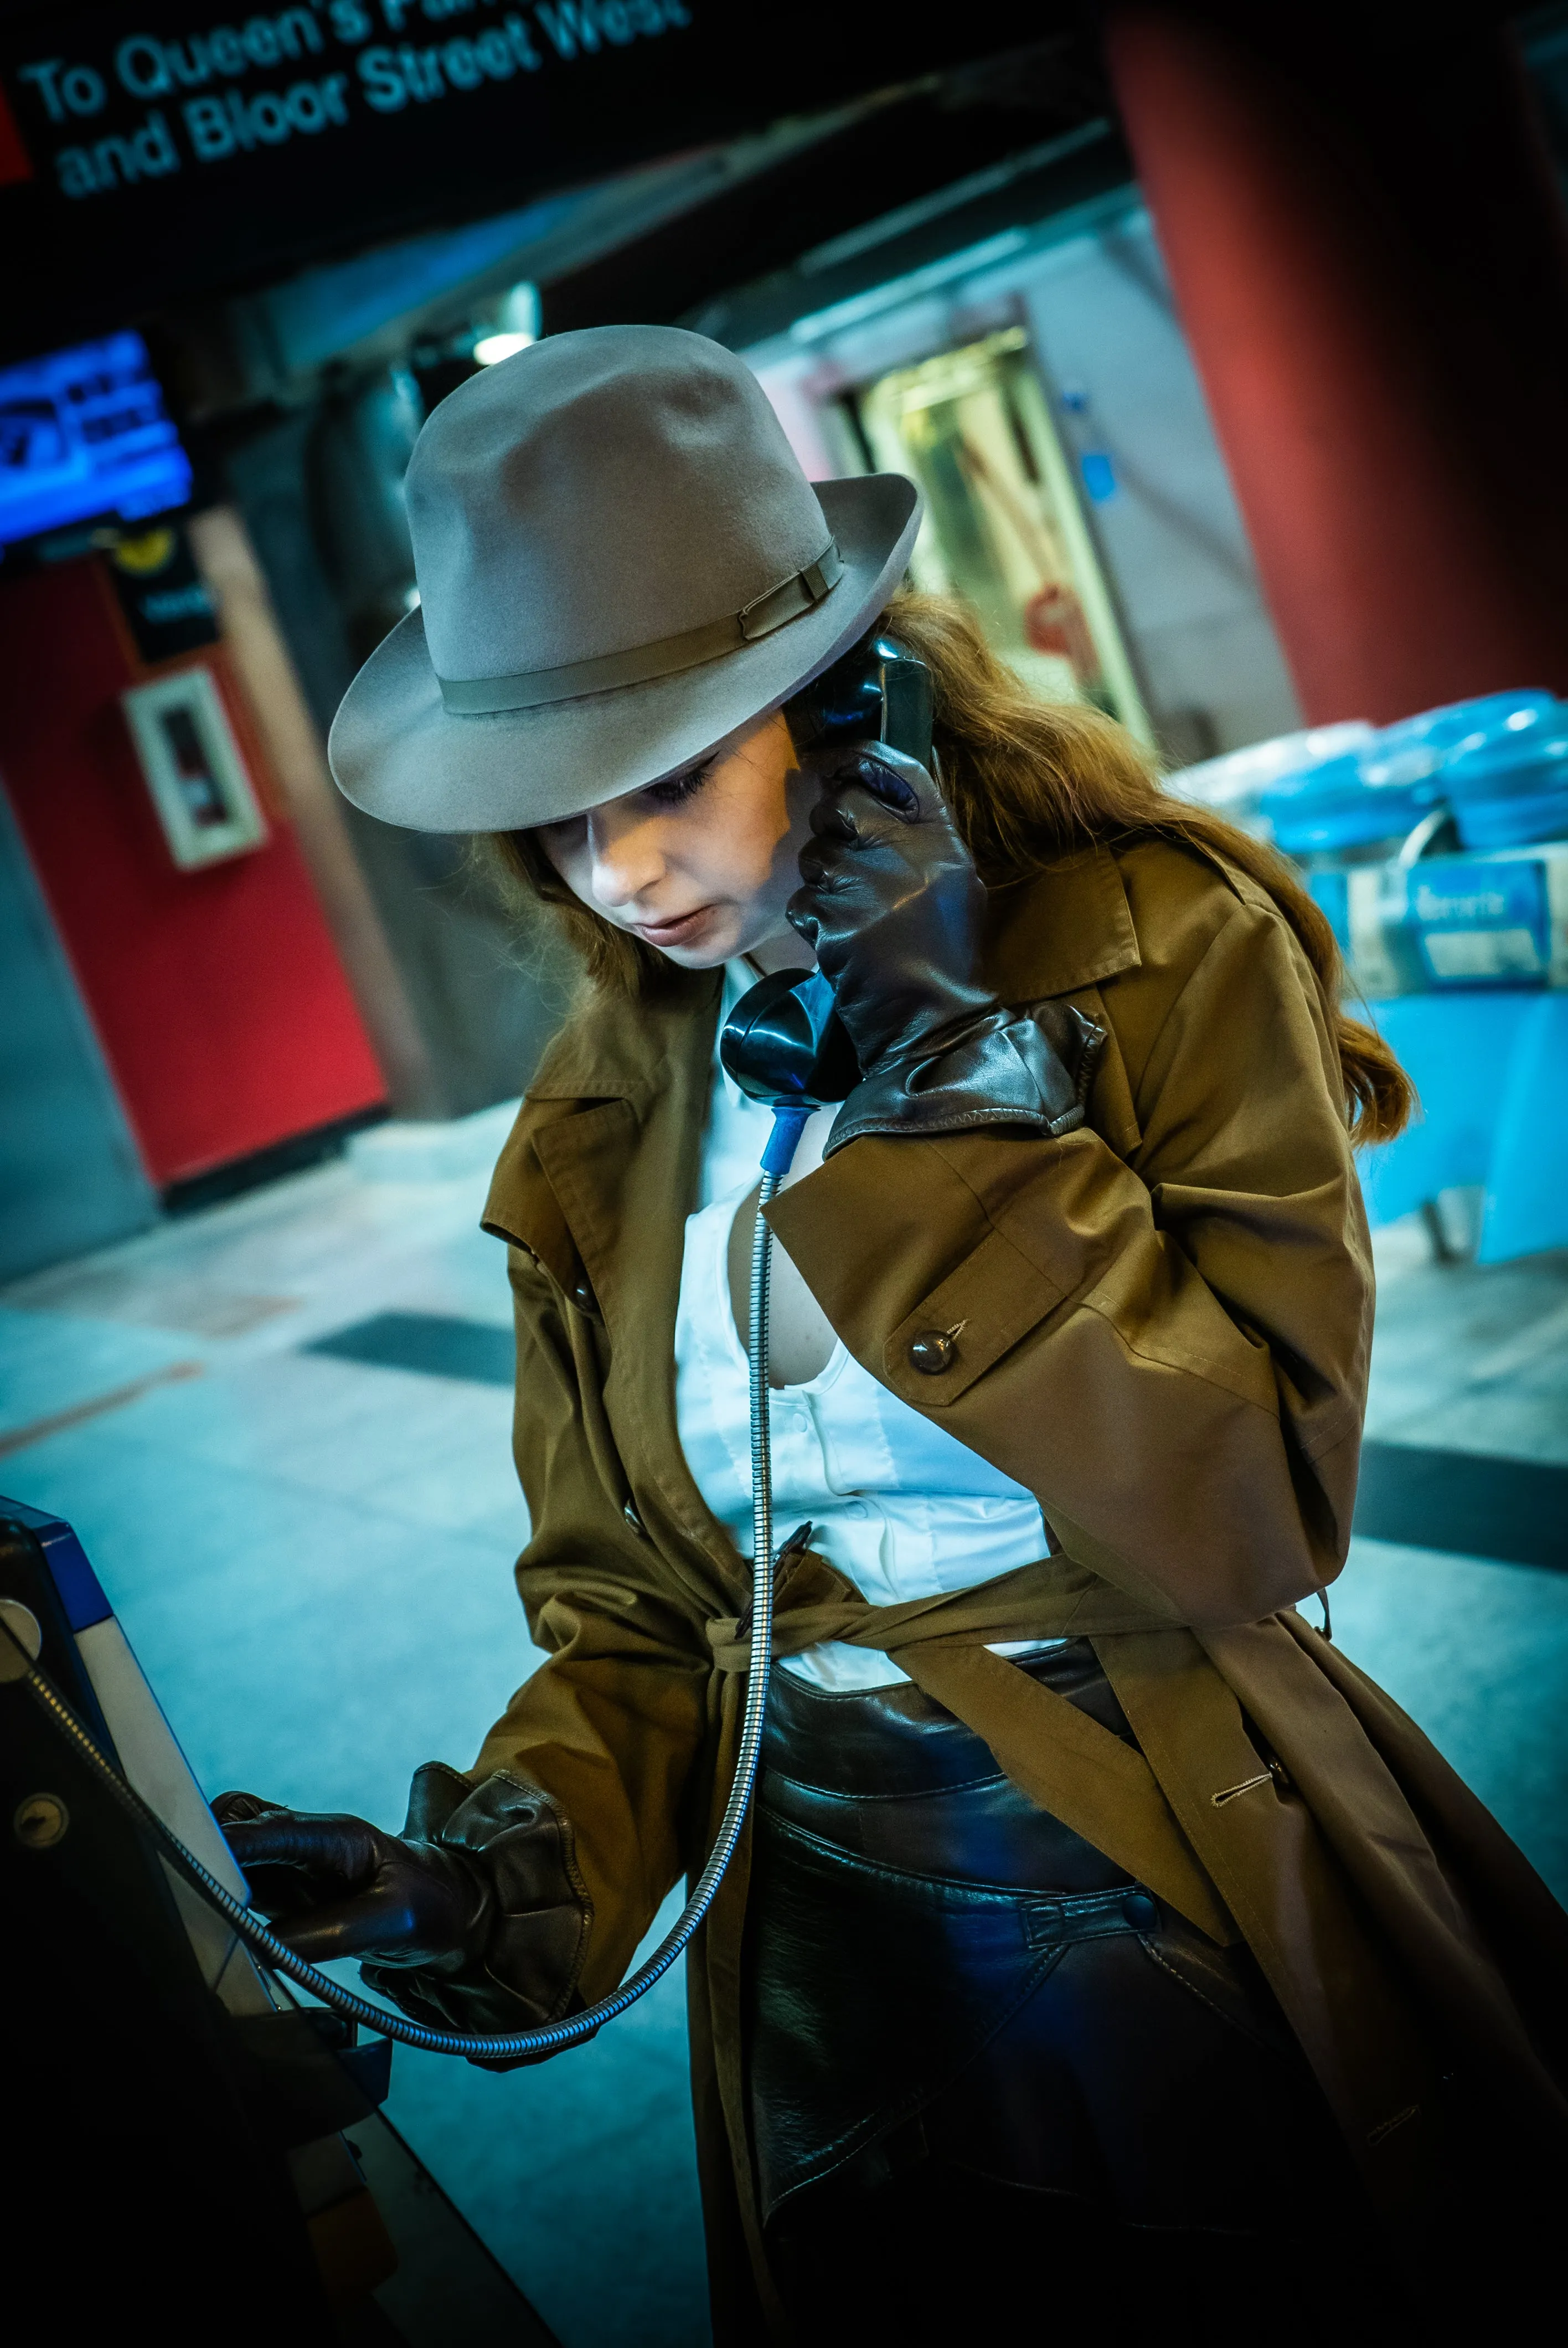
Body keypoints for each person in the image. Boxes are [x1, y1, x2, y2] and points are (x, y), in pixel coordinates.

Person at [219, 328, 1568, 2344]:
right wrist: (483, 1879)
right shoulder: (609, 1115)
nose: (623, 874)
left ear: (847, 708)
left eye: (666, 777)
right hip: (822, 1960)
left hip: (1177, 1860)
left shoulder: (1160, 954)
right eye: (559, 817)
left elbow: (1257, 1515)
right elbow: (633, 1625)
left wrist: (952, 1092)